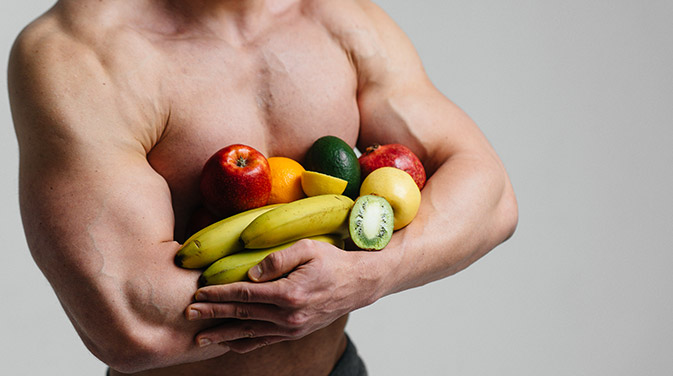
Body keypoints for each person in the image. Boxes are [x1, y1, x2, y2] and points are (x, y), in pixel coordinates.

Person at [8, 0, 518, 374]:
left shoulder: (342, 19)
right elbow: (133, 320)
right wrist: (317, 278)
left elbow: (490, 196)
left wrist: (372, 270)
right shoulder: (77, 50)